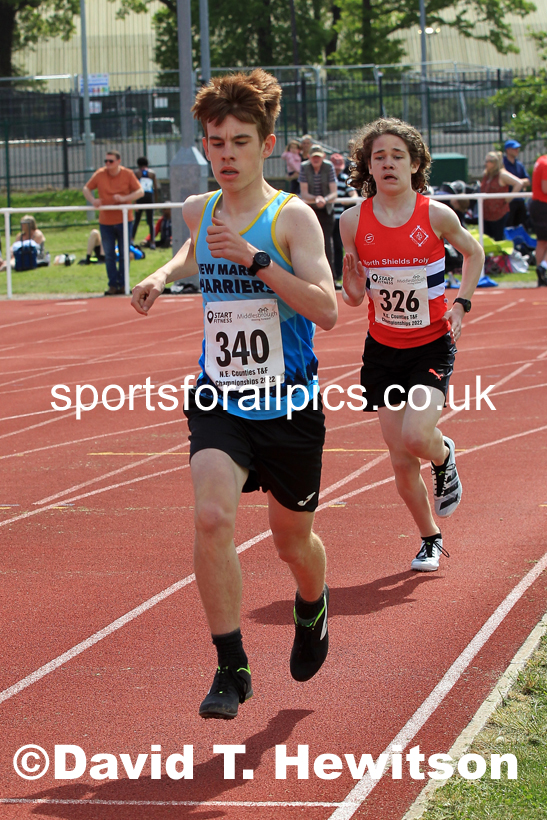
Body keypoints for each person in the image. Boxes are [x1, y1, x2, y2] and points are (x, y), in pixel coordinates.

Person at [131, 69, 337, 719]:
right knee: (212, 516)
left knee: (291, 542)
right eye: (215, 142)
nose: (225, 155)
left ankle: (312, 606)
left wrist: (254, 259)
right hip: (220, 397)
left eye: (239, 142)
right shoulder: (201, 208)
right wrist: (162, 274)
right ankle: (232, 666)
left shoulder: (293, 218)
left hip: (291, 405)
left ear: (266, 146)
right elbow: (198, 248)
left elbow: (326, 309)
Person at [340, 117, 484, 572]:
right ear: (367, 165)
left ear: (416, 163)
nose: (387, 164)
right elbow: (355, 296)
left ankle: (444, 455)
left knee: (418, 435)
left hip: (430, 345)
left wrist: (460, 305)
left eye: (397, 156)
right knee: (400, 458)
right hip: (382, 349)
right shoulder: (350, 221)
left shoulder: (436, 214)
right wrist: (353, 286)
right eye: (378, 156)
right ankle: (430, 538)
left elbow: (474, 252)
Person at [83, 150, 143, 295]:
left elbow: (140, 192)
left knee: (124, 253)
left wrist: (124, 198)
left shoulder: (127, 174)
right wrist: (93, 201)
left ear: (118, 161)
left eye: (111, 161)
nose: (108, 164)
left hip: (124, 219)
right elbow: (86, 188)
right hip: (106, 221)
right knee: (109, 255)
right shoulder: (100, 174)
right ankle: (112, 285)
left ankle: (123, 284)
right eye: (106, 161)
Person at [299, 145, 338, 284]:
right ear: (309, 157)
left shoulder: (329, 167)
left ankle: (331, 278)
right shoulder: (304, 167)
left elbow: (334, 192)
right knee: (308, 244)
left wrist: (324, 200)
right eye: (313, 157)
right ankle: (312, 278)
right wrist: (315, 199)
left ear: (323, 157)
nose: (316, 159)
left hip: (326, 210)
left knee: (327, 243)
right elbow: (304, 192)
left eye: (318, 157)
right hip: (310, 209)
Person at [480, 151, 523, 241]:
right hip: (486, 213)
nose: (486, 163)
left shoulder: (502, 175)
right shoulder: (487, 175)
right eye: (486, 161)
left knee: (498, 239)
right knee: (486, 239)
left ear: (495, 163)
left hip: (499, 213)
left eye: (489, 161)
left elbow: (519, 183)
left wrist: (509, 198)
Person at [330, 152, 358, 285]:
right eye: (334, 167)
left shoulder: (345, 178)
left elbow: (353, 196)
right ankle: (331, 276)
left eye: (338, 167)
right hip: (326, 218)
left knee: (338, 247)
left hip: (338, 218)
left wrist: (343, 201)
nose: (336, 170)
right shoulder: (327, 177)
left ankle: (339, 275)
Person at [502, 140, 530, 228]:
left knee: (522, 225)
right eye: (514, 149)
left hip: (520, 200)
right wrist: (519, 183)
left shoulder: (519, 165)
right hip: (508, 200)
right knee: (509, 225)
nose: (517, 151)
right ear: (508, 150)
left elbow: (528, 181)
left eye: (517, 149)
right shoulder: (503, 164)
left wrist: (516, 182)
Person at [133, 156, 159, 249]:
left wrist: (135, 201)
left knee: (137, 220)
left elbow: (135, 188)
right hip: (149, 197)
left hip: (140, 197)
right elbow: (155, 188)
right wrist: (155, 201)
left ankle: (132, 239)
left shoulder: (137, 173)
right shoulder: (152, 173)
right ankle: (152, 242)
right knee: (150, 221)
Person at [530, 152, 547, 286]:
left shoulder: (540, 160)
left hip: (538, 204)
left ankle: (541, 272)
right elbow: (545, 187)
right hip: (543, 204)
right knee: (542, 240)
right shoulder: (545, 164)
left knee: (541, 241)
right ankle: (544, 266)